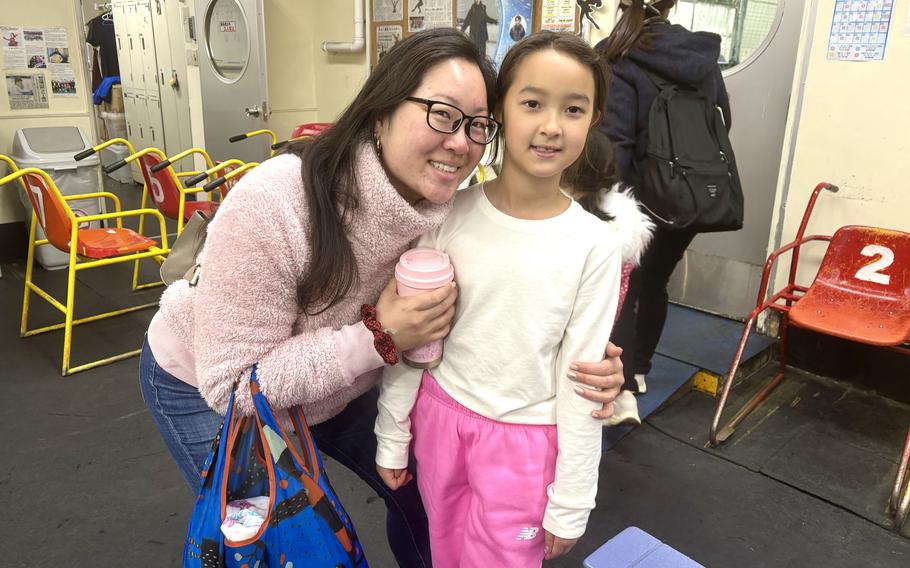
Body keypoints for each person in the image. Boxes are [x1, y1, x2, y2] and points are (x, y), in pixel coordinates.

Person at [138, 27, 624, 568]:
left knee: (418, 496)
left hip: (343, 379)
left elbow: (500, 297)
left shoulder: (442, 210)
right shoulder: (276, 203)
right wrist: (380, 335)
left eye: (475, 124)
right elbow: (237, 385)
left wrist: (582, 358)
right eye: (440, 114)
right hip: (212, 386)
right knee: (288, 538)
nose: (460, 142)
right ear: (380, 114)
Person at [375, 31, 622, 566]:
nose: (551, 126)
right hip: (438, 423)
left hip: (526, 445)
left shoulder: (595, 246)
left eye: (574, 109)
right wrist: (391, 433)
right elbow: (413, 337)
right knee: (442, 551)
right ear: (500, 111)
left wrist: (573, 498)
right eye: (532, 103)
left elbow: (582, 379)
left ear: (593, 120)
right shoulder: (447, 216)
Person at [596, 0, 731, 424]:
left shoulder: (615, 52)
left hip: (635, 199)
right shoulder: (702, 56)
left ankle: (618, 389)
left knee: (622, 287)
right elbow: (723, 120)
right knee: (655, 282)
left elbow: (612, 143)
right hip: (690, 196)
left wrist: (602, 202)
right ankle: (638, 371)